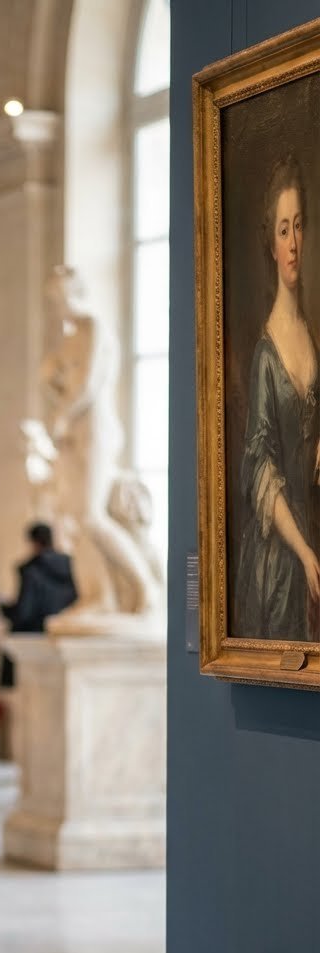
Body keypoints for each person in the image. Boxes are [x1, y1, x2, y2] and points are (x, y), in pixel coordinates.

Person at [236, 154, 320, 641]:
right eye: (284, 230)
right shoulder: (267, 354)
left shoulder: (309, 335)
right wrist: (306, 553)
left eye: (300, 226)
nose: (294, 244)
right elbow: (260, 468)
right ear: (271, 244)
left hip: (309, 535)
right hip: (279, 560)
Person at [0, 522, 78, 685]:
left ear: (33, 542)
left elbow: (24, 612)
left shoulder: (31, 570)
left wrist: (4, 609)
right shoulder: (71, 566)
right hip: (61, 635)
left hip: (32, 638)